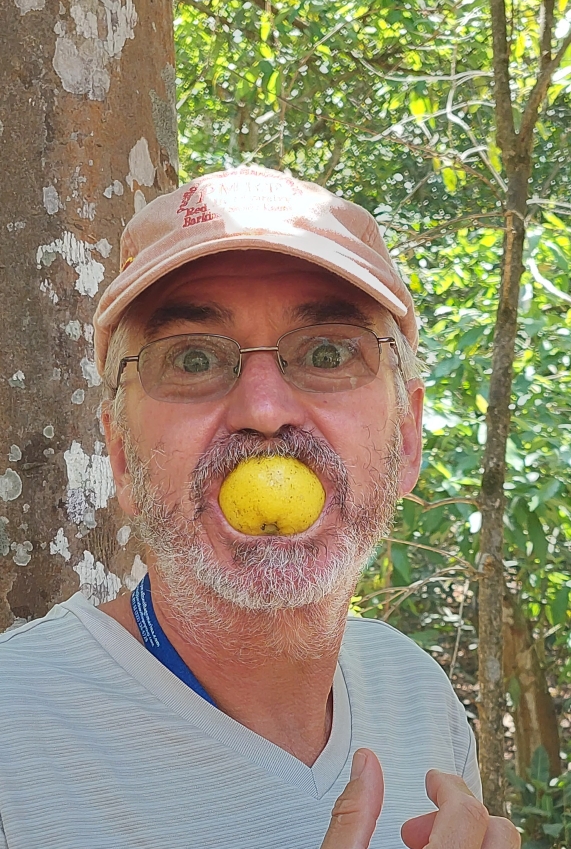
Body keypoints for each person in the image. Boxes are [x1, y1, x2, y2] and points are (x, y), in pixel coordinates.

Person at [0, 166, 519, 849]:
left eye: (327, 352)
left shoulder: (416, 693)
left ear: (406, 437)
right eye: (192, 359)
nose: (264, 410)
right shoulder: (14, 734)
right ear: (121, 455)